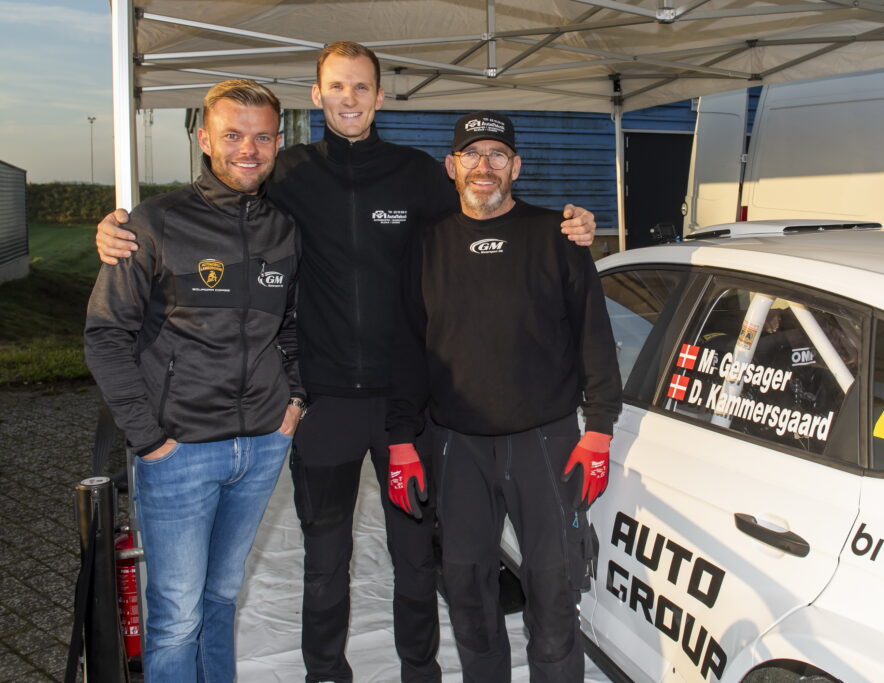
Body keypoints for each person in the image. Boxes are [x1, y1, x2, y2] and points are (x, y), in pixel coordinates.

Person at [94, 42, 598, 683]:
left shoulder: (418, 175)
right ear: (318, 95)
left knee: (416, 555)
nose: (350, 99)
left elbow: (489, 205)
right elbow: (220, 193)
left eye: (362, 87)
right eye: (337, 87)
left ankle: (421, 670)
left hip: (406, 411)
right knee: (324, 557)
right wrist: (118, 228)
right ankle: (325, 673)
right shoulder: (289, 171)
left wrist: (569, 222)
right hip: (323, 403)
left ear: (381, 97)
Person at [386, 111, 623, 683]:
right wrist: (400, 442)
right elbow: (407, 350)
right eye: (471, 154)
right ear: (451, 166)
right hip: (456, 444)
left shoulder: (557, 236)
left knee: (554, 584)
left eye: (497, 155)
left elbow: (594, 333)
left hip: (546, 440)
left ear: (516, 166)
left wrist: (599, 429)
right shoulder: (425, 245)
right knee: (466, 587)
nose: (483, 166)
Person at [84, 80, 303, 683]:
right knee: (177, 616)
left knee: (221, 600)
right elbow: (105, 335)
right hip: (178, 452)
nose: (248, 150)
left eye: (261, 137)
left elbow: (292, 327)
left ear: (277, 142)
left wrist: (296, 401)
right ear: (204, 139)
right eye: (232, 135)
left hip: (261, 447)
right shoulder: (153, 223)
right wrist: (148, 438)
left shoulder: (284, 228)